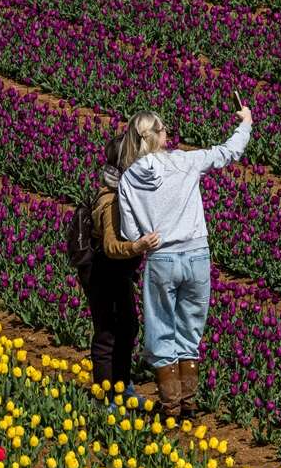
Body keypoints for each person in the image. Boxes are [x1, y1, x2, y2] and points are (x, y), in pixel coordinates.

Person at [117, 105, 253, 420]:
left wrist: (145, 237)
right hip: (196, 255)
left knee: (161, 327)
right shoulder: (184, 161)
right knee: (190, 330)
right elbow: (228, 152)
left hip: (161, 257)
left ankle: (170, 407)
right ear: (159, 135)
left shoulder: (128, 179)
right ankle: (188, 405)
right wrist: (245, 122)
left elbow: (130, 233)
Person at [84, 133, 160, 396]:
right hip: (104, 270)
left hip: (120, 272)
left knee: (127, 327)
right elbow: (110, 246)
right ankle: (106, 395)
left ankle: (122, 384)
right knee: (108, 332)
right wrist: (137, 247)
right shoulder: (111, 200)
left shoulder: (126, 192)